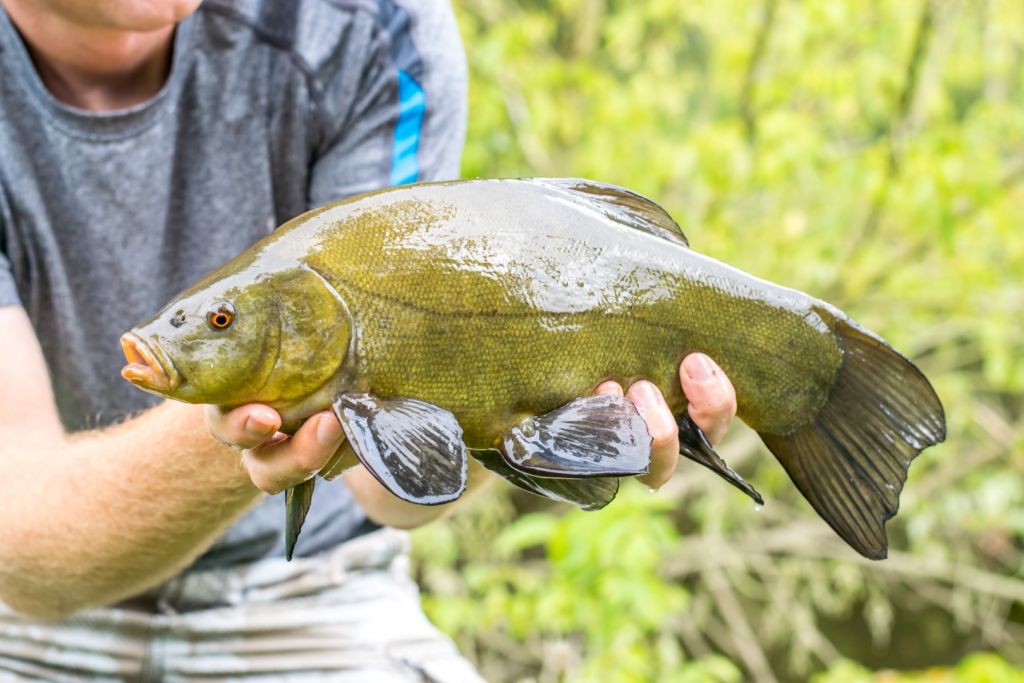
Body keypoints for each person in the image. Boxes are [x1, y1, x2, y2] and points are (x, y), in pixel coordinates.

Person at [0, 0, 739, 679]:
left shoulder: (367, 22)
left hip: (317, 593)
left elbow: (386, 491)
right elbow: (23, 543)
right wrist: (280, 401)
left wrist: (511, 394)